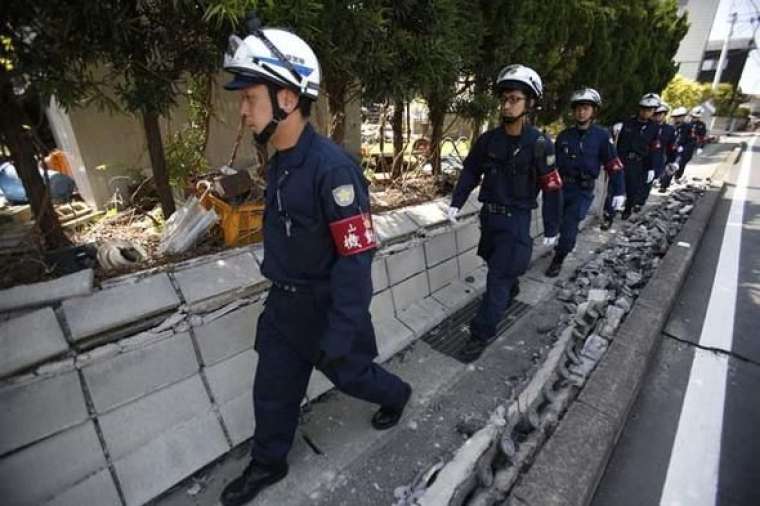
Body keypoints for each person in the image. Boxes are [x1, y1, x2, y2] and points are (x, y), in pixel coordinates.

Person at [219, 18, 411, 506]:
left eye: (250, 98)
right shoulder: (281, 161)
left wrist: (342, 329)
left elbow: (355, 257)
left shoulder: (333, 168)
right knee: (273, 389)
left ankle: (396, 394)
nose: (243, 111)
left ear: (287, 99)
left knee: (354, 376)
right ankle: (268, 463)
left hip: (328, 306)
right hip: (285, 307)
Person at [446, 64, 561, 362]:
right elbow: (471, 170)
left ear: (530, 103)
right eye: (505, 98)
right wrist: (456, 202)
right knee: (492, 262)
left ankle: (479, 334)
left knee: (496, 280)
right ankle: (511, 284)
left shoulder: (539, 144)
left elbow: (551, 187)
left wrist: (552, 227)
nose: (507, 104)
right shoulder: (488, 140)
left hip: (516, 220)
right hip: (490, 218)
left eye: (515, 99)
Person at [545, 88, 624, 277]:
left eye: (586, 108)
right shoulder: (564, 136)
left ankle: (559, 257)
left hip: (582, 190)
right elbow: (551, 165)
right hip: (562, 187)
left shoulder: (602, 136)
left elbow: (613, 164)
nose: (581, 112)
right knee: (555, 223)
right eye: (578, 108)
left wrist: (620, 191)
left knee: (570, 228)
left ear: (593, 111)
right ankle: (558, 243)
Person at [612, 92, 661, 220]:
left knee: (632, 189)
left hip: (638, 162)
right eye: (644, 109)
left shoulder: (654, 128)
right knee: (614, 187)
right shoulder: (627, 123)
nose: (646, 112)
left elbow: (653, 149)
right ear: (639, 108)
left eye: (649, 110)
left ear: (653, 111)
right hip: (622, 159)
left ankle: (627, 209)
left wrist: (651, 168)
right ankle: (610, 213)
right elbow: (616, 142)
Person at [659, 106, 694, 191]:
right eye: (675, 117)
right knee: (664, 166)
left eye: (679, 117)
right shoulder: (670, 127)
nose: (677, 119)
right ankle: (662, 180)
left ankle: (664, 185)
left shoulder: (688, 127)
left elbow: (691, 141)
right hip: (669, 150)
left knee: (673, 166)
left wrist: (684, 148)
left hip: (680, 151)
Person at [647, 102, 677, 197]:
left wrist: (672, 160)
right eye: (656, 114)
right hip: (644, 155)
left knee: (651, 179)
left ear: (665, 115)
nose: (658, 116)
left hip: (659, 157)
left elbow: (671, 146)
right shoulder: (648, 126)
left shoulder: (669, 129)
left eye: (660, 114)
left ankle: (640, 200)